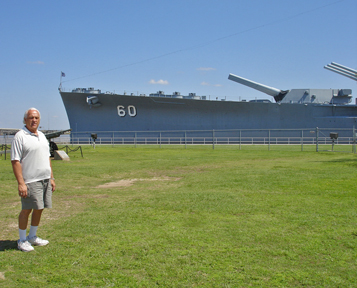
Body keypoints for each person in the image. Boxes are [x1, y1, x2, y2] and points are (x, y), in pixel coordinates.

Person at [11, 108, 56, 252]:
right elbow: (15, 161)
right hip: (30, 180)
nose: (34, 120)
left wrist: (52, 177)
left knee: (40, 208)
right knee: (26, 209)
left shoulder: (42, 136)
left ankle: (32, 236)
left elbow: (47, 157)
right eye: (31, 117)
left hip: (45, 179)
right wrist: (21, 183)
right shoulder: (20, 136)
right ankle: (22, 240)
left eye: (36, 118)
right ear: (25, 120)